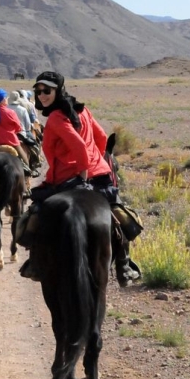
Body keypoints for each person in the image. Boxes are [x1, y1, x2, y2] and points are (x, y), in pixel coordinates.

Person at [16, 71, 141, 283]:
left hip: (68, 178)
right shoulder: (83, 110)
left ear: (58, 90)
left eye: (47, 90)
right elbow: (101, 138)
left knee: (36, 215)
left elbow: (79, 147)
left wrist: (83, 176)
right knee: (117, 212)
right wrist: (97, 163)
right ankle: (124, 264)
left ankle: (35, 263)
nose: (42, 95)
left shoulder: (56, 117)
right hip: (100, 174)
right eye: (38, 91)